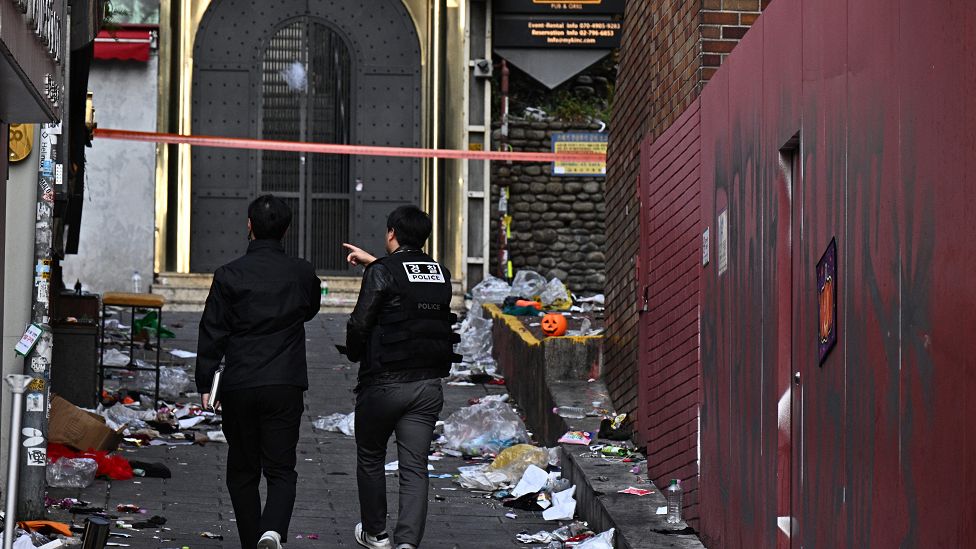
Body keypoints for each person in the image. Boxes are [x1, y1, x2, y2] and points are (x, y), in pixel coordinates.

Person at [195, 195, 320, 549]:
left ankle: (253, 540)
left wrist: (206, 380)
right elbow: (309, 308)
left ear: (249, 225)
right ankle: (273, 530)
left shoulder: (229, 274)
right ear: (286, 230)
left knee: (242, 470)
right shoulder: (302, 271)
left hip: (241, 383)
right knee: (281, 469)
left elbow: (213, 329)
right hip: (285, 381)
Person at [342, 205, 461, 549]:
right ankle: (407, 542)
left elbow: (360, 322)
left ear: (391, 233)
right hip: (427, 386)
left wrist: (353, 351)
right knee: (414, 466)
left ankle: (376, 534)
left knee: (370, 456)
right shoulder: (441, 272)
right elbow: (412, 288)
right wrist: (375, 263)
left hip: (383, 384)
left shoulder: (381, 272)